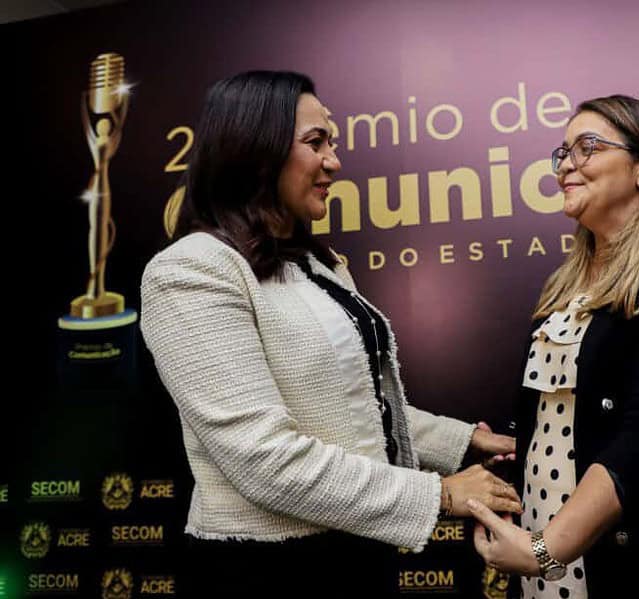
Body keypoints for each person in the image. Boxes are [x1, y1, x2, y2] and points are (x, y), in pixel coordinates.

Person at [139, 71, 519, 596]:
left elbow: (350, 407)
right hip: (265, 570)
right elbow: (261, 458)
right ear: (257, 149)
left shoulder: (318, 264)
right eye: (315, 142)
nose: (334, 161)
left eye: (331, 143)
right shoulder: (190, 269)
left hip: (357, 546)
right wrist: (439, 494)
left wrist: (465, 440)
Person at [467, 95, 639, 597]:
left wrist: (546, 548)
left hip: (624, 555)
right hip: (542, 547)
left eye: (587, 147)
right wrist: (515, 455)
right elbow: (565, 419)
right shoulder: (561, 286)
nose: (565, 165)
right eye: (563, 152)